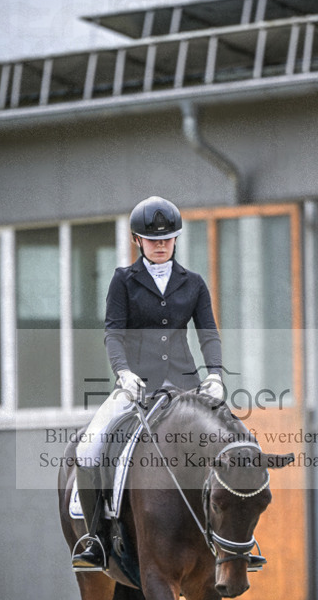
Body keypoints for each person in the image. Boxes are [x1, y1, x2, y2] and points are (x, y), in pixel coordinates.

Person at [72, 195, 225, 569]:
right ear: (137, 240)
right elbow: (113, 333)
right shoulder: (123, 281)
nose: (161, 245)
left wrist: (216, 375)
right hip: (137, 386)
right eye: (153, 239)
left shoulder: (194, 283)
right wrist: (123, 373)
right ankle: (97, 539)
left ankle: (235, 542)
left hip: (186, 387)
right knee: (89, 448)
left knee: (231, 444)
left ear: (176, 239)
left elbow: (208, 333)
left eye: (167, 239)